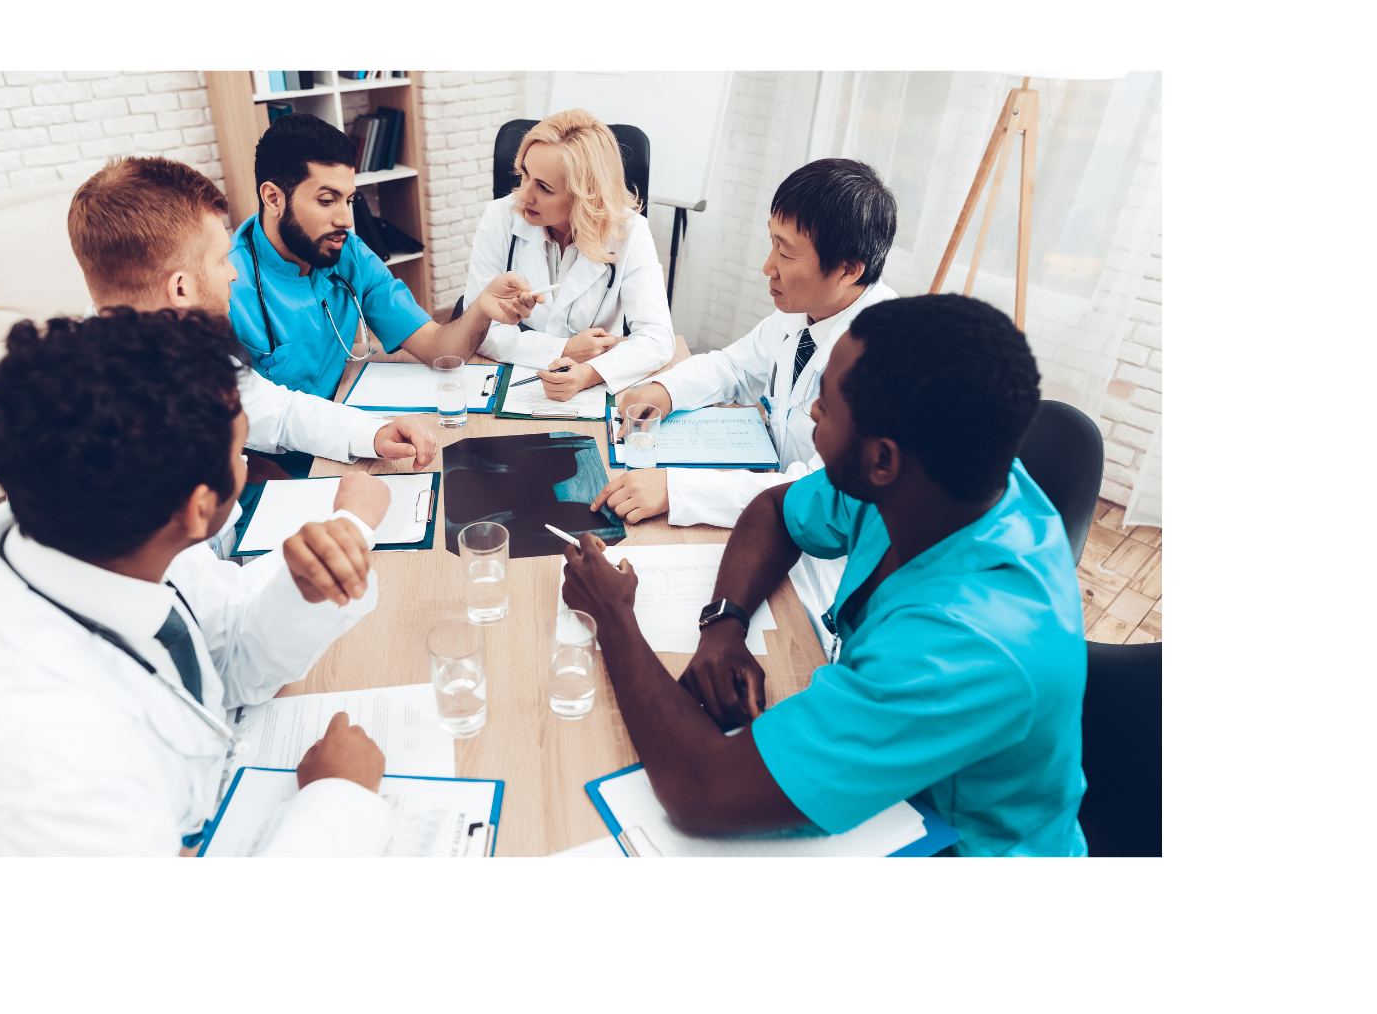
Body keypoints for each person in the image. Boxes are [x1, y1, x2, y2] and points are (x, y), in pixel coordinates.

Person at [560, 295, 1088, 857]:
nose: (809, 412)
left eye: (826, 406)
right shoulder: (934, 479)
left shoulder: (966, 642)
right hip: (894, 778)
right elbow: (775, 511)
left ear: (881, 459)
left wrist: (612, 617)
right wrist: (724, 626)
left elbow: (702, 792)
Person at [0, 306, 397, 857]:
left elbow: (219, 660)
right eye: (241, 450)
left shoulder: (102, 529)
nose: (248, 462)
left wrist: (301, 591)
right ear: (199, 509)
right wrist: (336, 802)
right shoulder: (48, 762)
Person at [591, 159, 900, 642]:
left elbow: (810, 495)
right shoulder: (808, 312)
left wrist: (677, 491)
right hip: (761, 508)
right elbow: (734, 366)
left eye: (786, 251)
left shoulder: (880, 362)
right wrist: (664, 390)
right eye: (771, 240)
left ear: (848, 269)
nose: (767, 266)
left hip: (823, 566)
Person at [69, 154, 438, 554]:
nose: (233, 273)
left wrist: (375, 432)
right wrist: (352, 525)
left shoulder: (171, 343)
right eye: (221, 260)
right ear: (180, 290)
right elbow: (209, 605)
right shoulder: (115, 436)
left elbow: (276, 412)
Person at [228, 114, 535, 475]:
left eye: (349, 200)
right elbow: (236, 425)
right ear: (273, 197)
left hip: (352, 427)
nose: (345, 219)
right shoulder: (227, 285)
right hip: (277, 463)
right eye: (327, 201)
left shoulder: (349, 254)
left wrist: (481, 308)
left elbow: (439, 348)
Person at [463, 110, 675, 401]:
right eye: (524, 174)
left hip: (594, 381)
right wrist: (562, 350)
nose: (524, 195)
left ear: (586, 195)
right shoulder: (499, 218)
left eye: (544, 187)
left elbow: (657, 339)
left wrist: (589, 374)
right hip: (515, 375)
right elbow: (476, 327)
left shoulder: (630, 231)